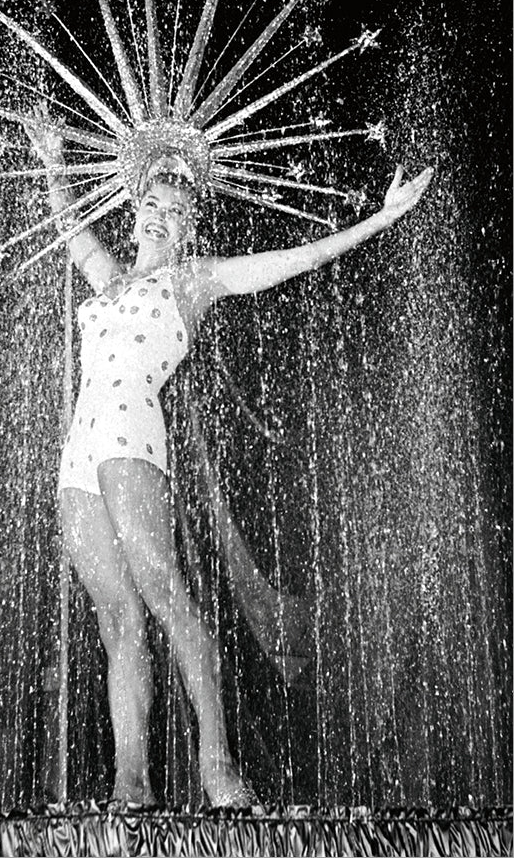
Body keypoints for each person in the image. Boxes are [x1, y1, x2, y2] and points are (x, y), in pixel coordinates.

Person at [25, 115, 432, 807]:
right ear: (134, 214)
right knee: (115, 619)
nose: (160, 218)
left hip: (131, 430)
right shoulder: (108, 279)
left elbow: (296, 260)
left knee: (165, 592)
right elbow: (70, 229)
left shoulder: (196, 281)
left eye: (175, 212)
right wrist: (54, 167)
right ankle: (131, 783)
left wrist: (381, 220)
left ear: (189, 228)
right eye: (151, 207)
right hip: (80, 444)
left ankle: (218, 767)